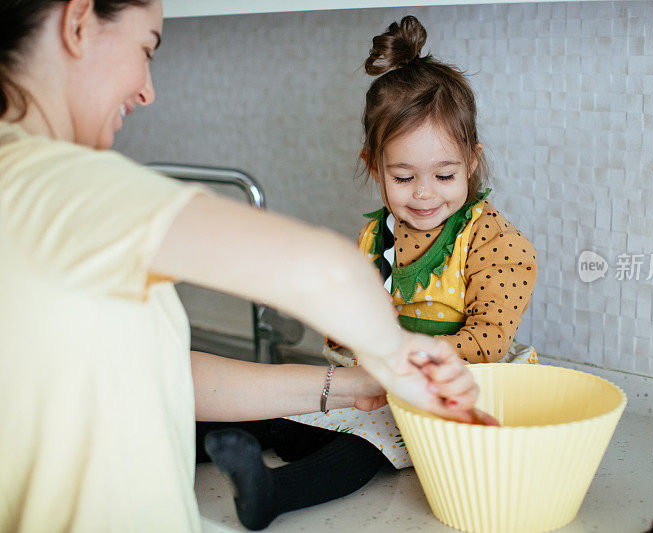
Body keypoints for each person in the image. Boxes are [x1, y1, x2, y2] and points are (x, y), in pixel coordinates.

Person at [0, 2, 481, 532]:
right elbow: (326, 272)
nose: (146, 90)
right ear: (78, 23)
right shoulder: (54, 184)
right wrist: (401, 355)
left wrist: (352, 385)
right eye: (146, 49)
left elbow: (156, 370)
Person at [205, 15, 538, 531]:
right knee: (292, 419)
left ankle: (273, 492)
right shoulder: (376, 237)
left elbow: (489, 341)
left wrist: (396, 353)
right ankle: (190, 439)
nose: (424, 194)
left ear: (472, 163)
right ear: (374, 165)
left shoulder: (497, 244)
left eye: (444, 175)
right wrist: (353, 321)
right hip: (379, 384)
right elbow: (339, 332)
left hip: (448, 392)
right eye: (403, 177)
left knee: (364, 447)